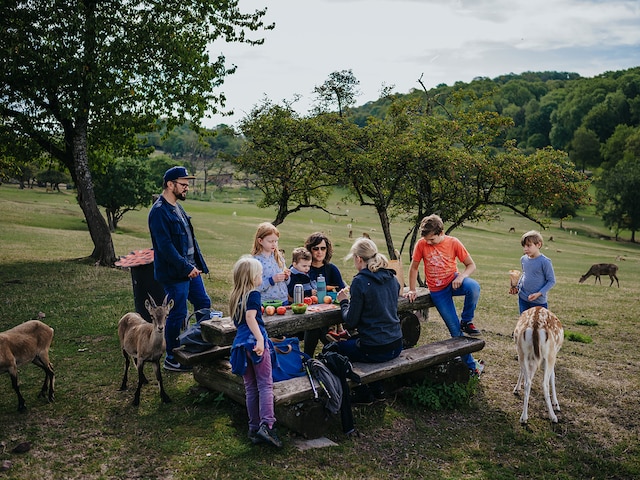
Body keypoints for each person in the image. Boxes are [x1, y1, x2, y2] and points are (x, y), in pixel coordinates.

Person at [148, 166, 211, 372]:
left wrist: (198, 265)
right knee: (178, 313)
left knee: (204, 303)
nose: (186, 189)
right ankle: (172, 357)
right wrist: (186, 268)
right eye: (183, 185)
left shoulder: (178, 207)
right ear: (170, 184)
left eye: (187, 185)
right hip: (174, 273)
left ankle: (202, 344)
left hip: (190, 269)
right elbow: (165, 247)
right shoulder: (158, 212)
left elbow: (190, 239)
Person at [405, 214, 481, 375]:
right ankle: (471, 366)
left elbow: (471, 265)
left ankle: (466, 321)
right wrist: (412, 289)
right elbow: (413, 268)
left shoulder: (453, 242)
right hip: (438, 291)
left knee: (473, 287)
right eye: (427, 240)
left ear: (441, 233)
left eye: (432, 239)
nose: (429, 243)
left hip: (453, 281)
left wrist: (461, 277)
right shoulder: (421, 244)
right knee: (454, 331)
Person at [333, 237, 403, 403]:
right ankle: (378, 390)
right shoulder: (391, 278)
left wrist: (344, 301)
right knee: (354, 341)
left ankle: (362, 393)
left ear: (358, 259)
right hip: (396, 343)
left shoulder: (360, 281)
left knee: (334, 350)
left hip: (375, 348)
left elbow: (350, 322)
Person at [228, 256, 282, 448]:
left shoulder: (236, 296)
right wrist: (260, 339)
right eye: (260, 274)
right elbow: (251, 317)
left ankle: (253, 428)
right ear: (252, 278)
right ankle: (267, 425)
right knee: (266, 385)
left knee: (251, 388)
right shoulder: (253, 294)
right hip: (255, 344)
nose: (262, 276)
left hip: (240, 345)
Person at [303, 232, 347, 356]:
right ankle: (309, 358)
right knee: (313, 327)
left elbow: (342, 291)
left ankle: (328, 358)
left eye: (323, 248)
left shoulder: (331, 269)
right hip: (307, 313)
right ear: (309, 250)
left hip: (329, 315)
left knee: (323, 332)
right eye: (315, 248)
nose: (319, 252)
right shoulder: (303, 267)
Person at [510, 230, 556, 313]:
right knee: (525, 324)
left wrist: (539, 294)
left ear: (539, 245)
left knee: (538, 325)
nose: (525, 249)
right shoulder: (523, 259)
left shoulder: (545, 262)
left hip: (538, 302)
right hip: (523, 299)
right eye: (524, 246)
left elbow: (551, 281)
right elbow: (525, 274)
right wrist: (517, 287)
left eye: (529, 246)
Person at [251, 222, 290, 304]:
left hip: (283, 300)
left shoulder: (279, 257)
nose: (274, 244)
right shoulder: (256, 261)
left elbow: (286, 282)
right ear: (260, 241)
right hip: (266, 302)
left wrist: (286, 277)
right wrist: (271, 280)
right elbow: (254, 287)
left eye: (276, 241)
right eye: (270, 241)